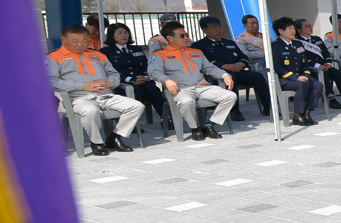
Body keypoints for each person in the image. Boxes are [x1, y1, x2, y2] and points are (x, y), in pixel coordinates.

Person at [47, 23, 143, 155]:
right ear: (63, 40)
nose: (80, 44)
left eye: (84, 40)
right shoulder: (53, 57)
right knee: (90, 111)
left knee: (136, 106)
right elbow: (52, 81)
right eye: (75, 41)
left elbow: (114, 73)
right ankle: (97, 143)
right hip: (79, 98)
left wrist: (108, 83)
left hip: (105, 95)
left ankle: (115, 137)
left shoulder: (97, 54)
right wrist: (82, 86)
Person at [149, 22, 236, 140]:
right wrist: (167, 80)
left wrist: (224, 75)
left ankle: (210, 125)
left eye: (187, 35)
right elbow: (153, 72)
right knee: (186, 101)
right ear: (170, 38)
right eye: (182, 36)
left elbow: (209, 68)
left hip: (202, 86)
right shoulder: (159, 55)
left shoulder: (196, 52)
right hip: (180, 88)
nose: (186, 38)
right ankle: (194, 128)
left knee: (230, 96)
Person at [193, 15, 272, 120]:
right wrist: (223, 66)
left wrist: (241, 64)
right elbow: (204, 64)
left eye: (219, 27)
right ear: (204, 30)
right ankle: (235, 111)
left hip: (238, 71)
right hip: (219, 75)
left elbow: (244, 57)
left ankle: (267, 107)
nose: (218, 30)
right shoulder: (199, 45)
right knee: (231, 79)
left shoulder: (229, 43)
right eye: (214, 28)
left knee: (258, 76)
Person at [101, 22, 167, 126]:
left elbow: (146, 66)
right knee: (136, 91)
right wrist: (130, 79)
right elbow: (110, 71)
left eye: (126, 33)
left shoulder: (136, 49)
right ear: (112, 35)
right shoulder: (106, 51)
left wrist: (146, 77)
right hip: (123, 82)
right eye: (120, 33)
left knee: (153, 89)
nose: (124, 35)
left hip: (142, 80)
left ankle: (165, 119)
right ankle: (131, 123)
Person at [270, 17, 323, 126]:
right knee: (302, 85)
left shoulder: (298, 44)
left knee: (318, 85)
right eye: (289, 28)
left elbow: (305, 63)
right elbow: (278, 67)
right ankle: (297, 115)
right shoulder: (275, 46)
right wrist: (296, 78)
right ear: (280, 31)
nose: (293, 31)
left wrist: (305, 74)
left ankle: (307, 114)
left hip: (301, 78)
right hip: (285, 80)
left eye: (293, 28)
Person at [296, 18, 341, 108]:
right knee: (323, 74)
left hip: (324, 65)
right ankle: (331, 98)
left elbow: (326, 53)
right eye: (306, 26)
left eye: (310, 25)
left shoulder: (317, 39)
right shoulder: (297, 43)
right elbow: (303, 58)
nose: (310, 28)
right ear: (299, 30)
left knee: (336, 73)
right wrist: (318, 66)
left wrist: (328, 63)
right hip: (310, 67)